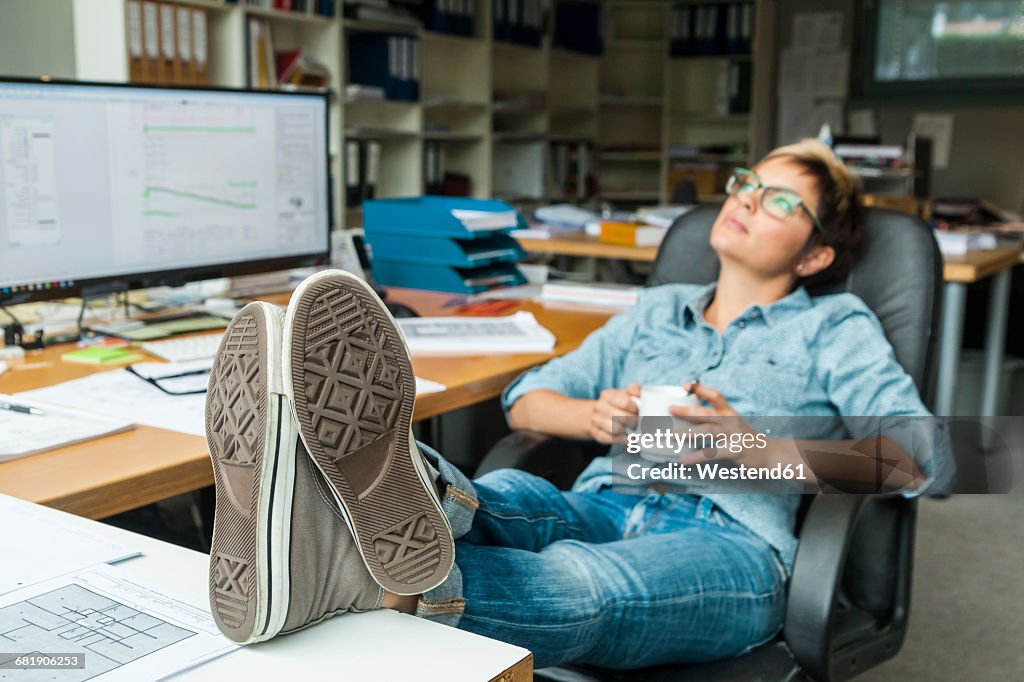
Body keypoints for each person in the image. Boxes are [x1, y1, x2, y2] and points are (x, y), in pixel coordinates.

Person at [203, 140, 949, 668]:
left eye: (779, 200)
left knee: (578, 582)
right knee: (501, 493)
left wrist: (751, 449)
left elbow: (927, 459)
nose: (746, 202)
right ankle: (329, 474)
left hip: (732, 543)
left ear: (816, 254)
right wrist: (590, 418)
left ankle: (340, 570)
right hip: (603, 500)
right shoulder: (657, 311)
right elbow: (527, 401)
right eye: (745, 183)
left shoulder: (833, 325)